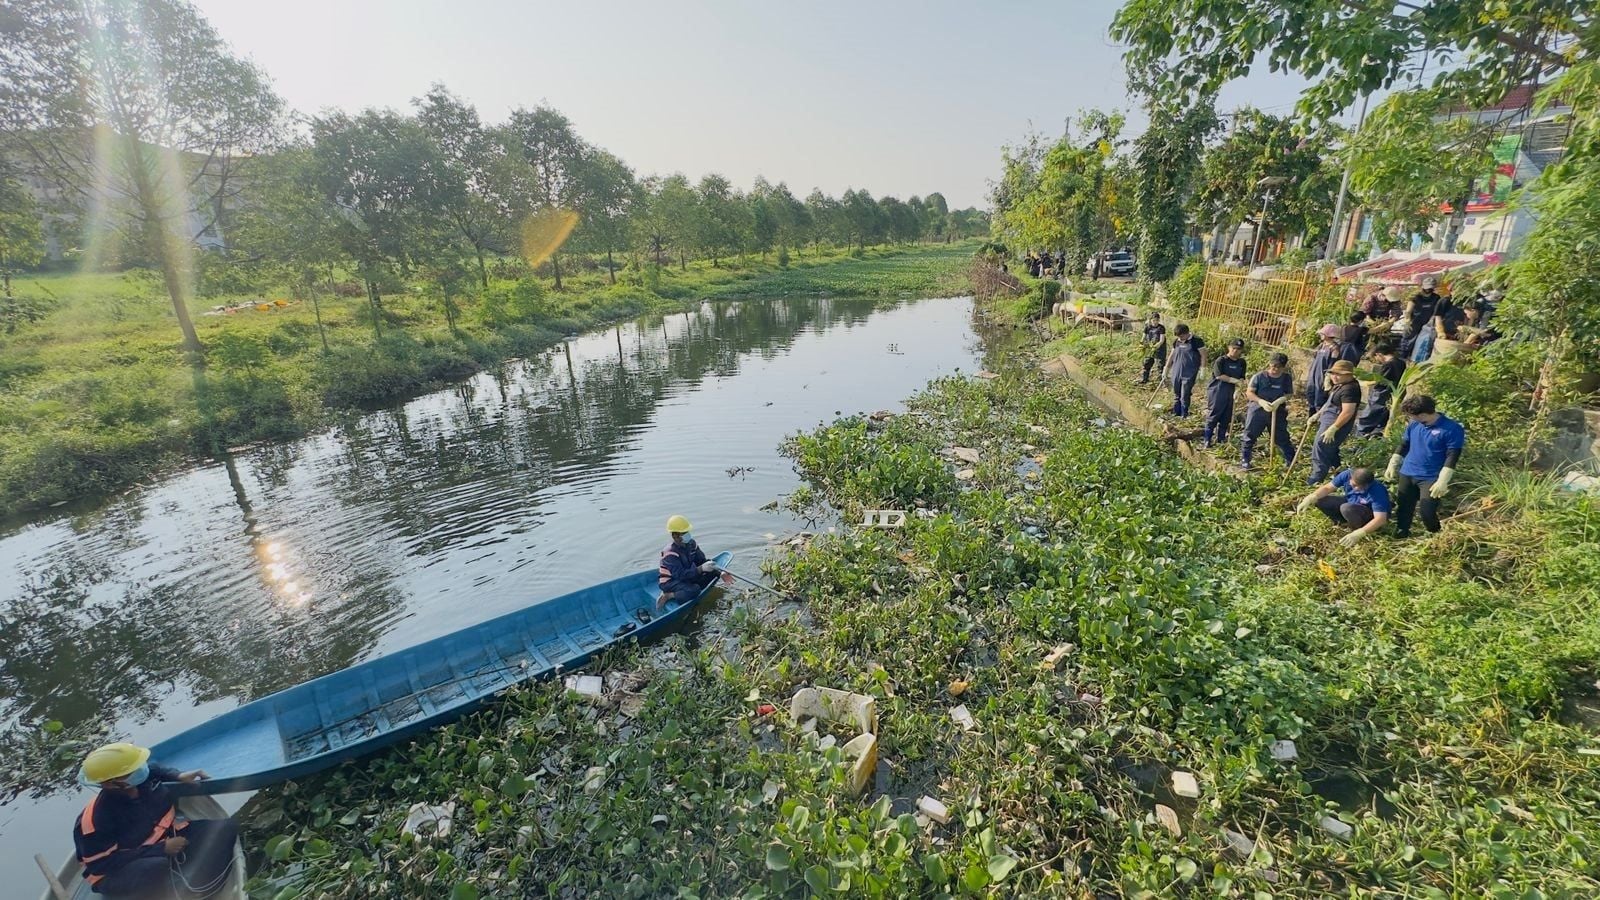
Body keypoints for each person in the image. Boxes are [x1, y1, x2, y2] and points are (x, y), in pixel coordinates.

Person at [72, 742, 237, 899]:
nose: (141, 770)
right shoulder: (95, 820)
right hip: (119, 870)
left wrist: (177, 775)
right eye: (133, 770)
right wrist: (161, 849)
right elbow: (102, 864)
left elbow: (154, 769)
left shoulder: (139, 779)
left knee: (225, 827)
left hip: (167, 837)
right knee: (155, 867)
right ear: (110, 784)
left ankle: (201, 890)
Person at [1384, 395, 1465, 538]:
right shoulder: (1414, 425)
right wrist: (1393, 462)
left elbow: (1452, 456)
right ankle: (1402, 532)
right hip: (1408, 472)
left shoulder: (1452, 429)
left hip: (1430, 477)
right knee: (1404, 507)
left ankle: (1435, 535)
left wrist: (1443, 480)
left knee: (1427, 511)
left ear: (1422, 414)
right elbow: (1405, 444)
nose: (1410, 418)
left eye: (1411, 416)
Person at [1295, 466, 1392, 547]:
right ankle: (1342, 523)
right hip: (1352, 503)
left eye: (1361, 487)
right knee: (1320, 499)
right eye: (1354, 485)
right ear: (1351, 478)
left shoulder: (1377, 491)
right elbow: (1328, 488)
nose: (1356, 488)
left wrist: (1360, 533)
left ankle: (1355, 529)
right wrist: (1311, 497)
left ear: (1368, 484)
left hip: (1368, 514)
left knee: (1346, 508)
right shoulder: (1346, 475)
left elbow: (1380, 519)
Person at [657, 514, 731, 608]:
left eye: (687, 531)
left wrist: (721, 573)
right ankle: (668, 595)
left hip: (687, 576)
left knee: (712, 574)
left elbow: (702, 561)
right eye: (684, 533)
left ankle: (687, 588)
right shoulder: (669, 553)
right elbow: (680, 575)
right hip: (671, 582)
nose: (687, 534)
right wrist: (700, 569)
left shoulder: (691, 544)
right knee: (694, 590)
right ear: (675, 536)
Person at [1308, 359, 1362, 484]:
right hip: (1328, 420)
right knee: (1330, 449)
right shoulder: (1341, 385)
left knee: (1321, 446)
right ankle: (1340, 473)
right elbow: (1330, 403)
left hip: (1335, 423)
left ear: (1349, 375)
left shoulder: (1350, 389)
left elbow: (1347, 411)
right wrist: (1318, 414)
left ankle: (1316, 477)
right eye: (1333, 374)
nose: (1334, 377)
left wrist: (1334, 428)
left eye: (1338, 374)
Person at [1241, 352, 1295, 471]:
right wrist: (1261, 402)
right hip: (1258, 410)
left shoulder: (1286, 378)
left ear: (1283, 367)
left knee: (1280, 436)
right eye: (1272, 365)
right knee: (1250, 434)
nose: (1274, 369)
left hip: (1277, 410)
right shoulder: (1259, 376)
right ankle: (1245, 459)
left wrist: (1281, 400)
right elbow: (1249, 392)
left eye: (1278, 367)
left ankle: (1290, 459)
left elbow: (1289, 393)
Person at [1203, 338, 1248, 447]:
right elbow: (1219, 375)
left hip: (1231, 391)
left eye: (1238, 349)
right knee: (1214, 414)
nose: (1236, 351)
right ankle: (1207, 439)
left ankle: (1221, 439)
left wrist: (1239, 388)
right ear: (1229, 348)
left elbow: (1242, 378)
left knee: (1226, 416)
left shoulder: (1241, 362)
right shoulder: (1221, 360)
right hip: (1217, 390)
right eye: (1234, 348)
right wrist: (1234, 380)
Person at [1356, 342, 1406, 436]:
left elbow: (1381, 380)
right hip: (1395, 395)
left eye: (1375, 358)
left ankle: (1359, 438)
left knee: (1367, 419)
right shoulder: (1401, 363)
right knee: (1383, 421)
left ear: (1379, 354)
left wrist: (1366, 383)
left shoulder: (1388, 365)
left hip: (1382, 395)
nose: (1377, 360)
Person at [1164, 324, 1206, 418]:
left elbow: (1203, 355)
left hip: (1189, 372)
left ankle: (1184, 415)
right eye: (1178, 337)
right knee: (1176, 393)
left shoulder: (1196, 341)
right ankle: (1176, 413)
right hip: (1176, 370)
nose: (1180, 338)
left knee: (1185, 394)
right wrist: (1166, 368)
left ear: (1187, 333)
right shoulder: (1177, 341)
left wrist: (1202, 369)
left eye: (1181, 336)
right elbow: (1172, 355)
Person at [1403, 276, 1443, 360]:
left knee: (1423, 343)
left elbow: (1437, 312)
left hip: (1428, 323)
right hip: (1415, 322)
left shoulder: (1436, 298)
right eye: (1427, 287)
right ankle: (1403, 359)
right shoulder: (1415, 297)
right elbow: (1408, 312)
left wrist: (1432, 321)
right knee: (1408, 342)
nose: (1429, 289)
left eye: (1431, 287)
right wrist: (1407, 322)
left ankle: (1417, 359)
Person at [1305, 324, 1341, 413]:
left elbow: (1332, 363)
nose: (1320, 335)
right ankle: (1311, 414)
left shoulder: (1334, 348)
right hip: (1314, 372)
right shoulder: (1321, 345)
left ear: (1328, 335)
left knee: (1319, 396)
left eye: (1322, 334)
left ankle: (1318, 416)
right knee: (1310, 392)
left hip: (1323, 374)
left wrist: (1328, 377)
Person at [1138, 312, 1167, 384]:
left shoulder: (1161, 328)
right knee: (1147, 363)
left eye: (1157, 320)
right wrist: (1141, 344)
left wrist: (1156, 346)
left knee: (1160, 365)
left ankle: (1162, 382)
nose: (1155, 322)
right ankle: (1145, 379)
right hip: (1150, 348)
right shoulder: (1148, 327)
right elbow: (1143, 337)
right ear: (1150, 320)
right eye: (1153, 320)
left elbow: (1162, 340)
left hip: (1160, 349)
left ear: (1159, 320)